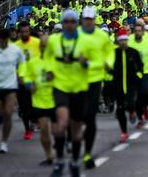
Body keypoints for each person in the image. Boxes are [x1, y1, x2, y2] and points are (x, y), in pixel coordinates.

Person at [44, 9, 91, 177]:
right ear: (63, 24)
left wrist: (86, 63)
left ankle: (74, 161)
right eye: (66, 22)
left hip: (79, 87)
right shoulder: (54, 41)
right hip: (60, 87)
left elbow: (94, 62)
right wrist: (49, 71)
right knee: (60, 125)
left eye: (72, 21)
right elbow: (48, 59)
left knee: (76, 130)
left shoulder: (85, 41)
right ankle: (59, 161)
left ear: (76, 23)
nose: (69, 24)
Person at [79, 6, 114, 169]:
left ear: (95, 20)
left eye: (90, 19)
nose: (88, 22)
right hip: (74, 81)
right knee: (75, 117)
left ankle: (87, 153)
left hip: (94, 79)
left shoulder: (102, 36)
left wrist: (108, 63)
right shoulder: (74, 36)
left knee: (90, 117)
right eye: (85, 19)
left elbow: (109, 52)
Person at [23, 32, 55, 164]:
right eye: (42, 45)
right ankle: (49, 155)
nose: (44, 48)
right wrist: (29, 85)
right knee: (44, 130)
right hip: (39, 100)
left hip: (56, 100)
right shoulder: (32, 62)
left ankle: (62, 147)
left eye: (47, 46)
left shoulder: (56, 62)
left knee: (58, 130)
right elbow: (27, 77)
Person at [111, 28, 143, 143]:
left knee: (130, 103)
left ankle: (132, 111)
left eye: (125, 40)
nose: (123, 42)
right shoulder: (114, 53)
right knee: (120, 109)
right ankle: (124, 132)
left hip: (131, 85)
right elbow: (109, 67)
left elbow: (140, 65)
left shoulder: (133, 52)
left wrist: (138, 75)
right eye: (121, 40)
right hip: (118, 85)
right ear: (118, 41)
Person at [128, 23, 148, 128]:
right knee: (133, 97)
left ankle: (144, 107)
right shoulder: (129, 41)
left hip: (146, 71)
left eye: (139, 31)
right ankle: (139, 117)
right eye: (135, 31)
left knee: (144, 93)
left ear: (143, 32)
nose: (137, 33)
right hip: (132, 73)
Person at [13, 21, 40, 141]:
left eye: (27, 31)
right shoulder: (15, 46)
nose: (24, 34)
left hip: (34, 79)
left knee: (32, 105)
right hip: (20, 79)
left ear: (29, 32)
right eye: (22, 32)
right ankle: (27, 129)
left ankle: (34, 121)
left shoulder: (36, 43)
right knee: (24, 107)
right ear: (19, 33)